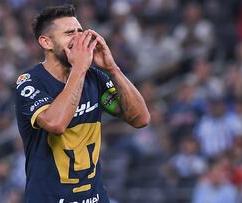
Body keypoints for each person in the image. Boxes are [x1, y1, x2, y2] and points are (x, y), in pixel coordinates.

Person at [14, 4, 150, 203]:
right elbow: (56, 124)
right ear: (46, 42)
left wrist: (113, 68)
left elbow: (140, 119)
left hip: (94, 198)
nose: (78, 38)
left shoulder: (94, 78)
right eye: (69, 33)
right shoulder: (30, 82)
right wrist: (79, 68)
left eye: (80, 31)